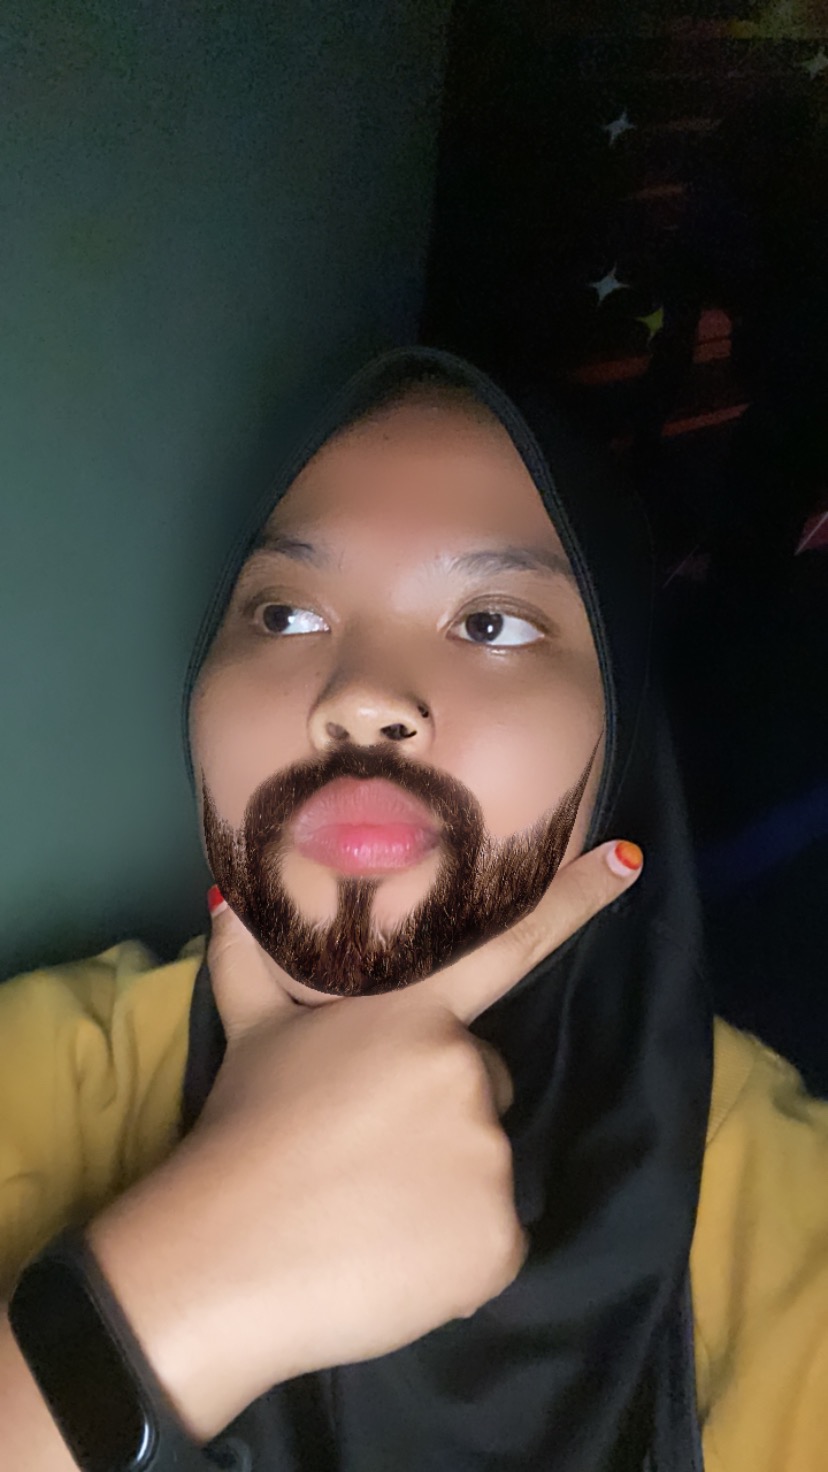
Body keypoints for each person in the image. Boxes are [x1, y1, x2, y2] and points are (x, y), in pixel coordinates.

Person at [1, 347, 826, 1471]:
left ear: (621, 732)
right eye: (285, 613)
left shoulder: (783, 1209)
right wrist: (170, 1295)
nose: (361, 698)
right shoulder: (46, 1076)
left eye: (492, 624)